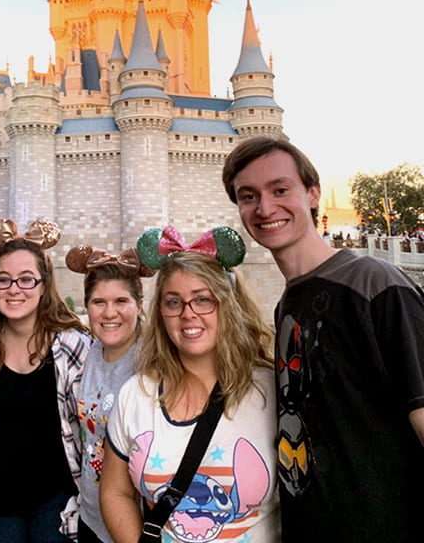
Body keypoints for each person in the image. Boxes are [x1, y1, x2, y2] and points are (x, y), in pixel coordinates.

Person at [222, 136, 424, 543]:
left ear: (313, 195)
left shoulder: (374, 285)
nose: (264, 208)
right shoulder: (287, 307)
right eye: (248, 196)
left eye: (280, 190)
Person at [100, 225, 279, 542]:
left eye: (203, 300)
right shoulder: (135, 394)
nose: (188, 314)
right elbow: (115, 492)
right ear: (160, 313)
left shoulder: (271, 392)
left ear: (228, 305)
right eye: (173, 302)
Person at [0, 217, 91, 543]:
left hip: (56, 500)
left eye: (26, 279)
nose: (14, 289)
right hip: (0, 500)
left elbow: (90, 422)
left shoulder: (72, 345)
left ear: (43, 283)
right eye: (4, 280)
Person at [65, 244, 150, 543]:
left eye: (121, 301)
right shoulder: (88, 354)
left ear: (139, 305)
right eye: (99, 302)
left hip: (135, 523)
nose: (109, 312)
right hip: (91, 516)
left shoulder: (152, 365)